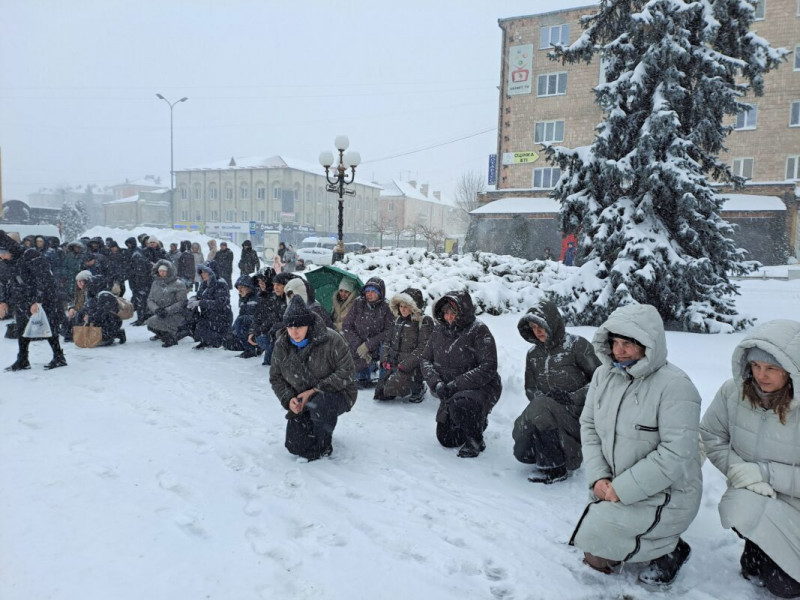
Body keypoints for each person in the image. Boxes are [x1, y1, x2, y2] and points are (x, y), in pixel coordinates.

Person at [569, 304, 701, 589]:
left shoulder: (675, 387)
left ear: (648, 344)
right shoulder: (604, 376)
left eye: (628, 344)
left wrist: (623, 488)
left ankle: (672, 548)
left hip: (667, 493)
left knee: (597, 550)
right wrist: (599, 477)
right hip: (617, 486)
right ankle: (639, 537)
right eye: (615, 343)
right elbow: (589, 426)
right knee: (596, 555)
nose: (619, 351)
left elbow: (676, 453)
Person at [700, 320, 800, 598]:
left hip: (796, 504)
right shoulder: (732, 393)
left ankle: (763, 549)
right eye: (755, 366)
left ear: (791, 369)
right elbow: (710, 435)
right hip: (751, 497)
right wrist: (741, 472)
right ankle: (757, 546)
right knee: (740, 507)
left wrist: (766, 473)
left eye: (771, 368)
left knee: (788, 587)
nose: (761, 375)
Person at [512, 300, 601, 483]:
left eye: (542, 325)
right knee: (520, 441)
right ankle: (551, 451)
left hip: (578, 415)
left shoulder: (577, 345)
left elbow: (601, 380)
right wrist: (543, 400)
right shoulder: (533, 354)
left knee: (541, 408)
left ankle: (556, 467)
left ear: (552, 322)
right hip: (546, 413)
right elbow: (530, 387)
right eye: (533, 327)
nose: (537, 331)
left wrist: (571, 397)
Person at [269, 296, 357, 460]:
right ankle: (315, 424)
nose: (294, 332)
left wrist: (315, 390)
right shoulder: (282, 345)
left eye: (299, 327)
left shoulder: (331, 339)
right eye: (290, 327)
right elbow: (276, 378)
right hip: (302, 398)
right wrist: (289, 399)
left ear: (308, 325)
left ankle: (324, 445)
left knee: (321, 405)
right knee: (294, 446)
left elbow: (347, 371)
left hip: (338, 393)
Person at [420, 291, 502, 458]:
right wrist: (436, 383)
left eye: (453, 313)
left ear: (463, 312)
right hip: (450, 389)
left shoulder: (479, 330)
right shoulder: (438, 331)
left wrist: (456, 384)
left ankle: (476, 440)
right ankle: (473, 422)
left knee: (463, 404)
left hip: (481, 386)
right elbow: (425, 360)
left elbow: (488, 366)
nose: (449, 317)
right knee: (447, 439)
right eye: (446, 313)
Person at [0, 233, 67, 370]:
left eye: (2, 253)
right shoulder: (6, 263)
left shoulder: (30, 255)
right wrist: (4, 301)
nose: (1, 257)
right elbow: (5, 283)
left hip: (44, 299)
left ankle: (58, 356)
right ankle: (23, 359)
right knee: (22, 330)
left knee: (48, 328)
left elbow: (44, 279)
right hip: (21, 300)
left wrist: (38, 300)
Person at [375, 288, 433, 403]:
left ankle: (418, 387)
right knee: (381, 393)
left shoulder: (424, 321)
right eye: (401, 306)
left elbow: (423, 348)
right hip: (394, 362)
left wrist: (406, 364)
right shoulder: (397, 320)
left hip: (411, 365)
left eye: (406, 306)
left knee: (393, 386)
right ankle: (400, 383)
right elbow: (387, 341)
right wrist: (384, 359)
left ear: (413, 306)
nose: (403, 309)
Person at [342, 277, 393, 388]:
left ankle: (384, 381)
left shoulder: (386, 307)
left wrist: (368, 345)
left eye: (373, 291)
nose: (369, 294)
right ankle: (365, 371)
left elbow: (389, 331)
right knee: (360, 381)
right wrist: (359, 346)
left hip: (377, 345)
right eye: (367, 291)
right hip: (358, 346)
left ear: (380, 293)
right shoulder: (358, 303)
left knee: (386, 349)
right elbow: (346, 326)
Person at [248, 270, 290, 365]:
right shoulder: (262, 296)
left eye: (263, 281)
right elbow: (259, 316)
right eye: (259, 282)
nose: (261, 284)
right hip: (271, 331)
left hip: (281, 333)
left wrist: (268, 330)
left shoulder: (279, 298)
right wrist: (254, 331)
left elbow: (283, 320)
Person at [146, 260, 190, 348]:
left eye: (164, 271)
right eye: (160, 271)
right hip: (159, 312)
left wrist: (167, 311)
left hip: (175, 313)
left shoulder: (178, 284)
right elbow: (150, 299)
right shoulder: (155, 283)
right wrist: (156, 309)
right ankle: (162, 334)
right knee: (150, 324)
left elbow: (181, 302)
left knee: (152, 322)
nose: (161, 273)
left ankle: (173, 337)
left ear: (169, 271)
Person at [189, 261, 233, 349]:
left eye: (205, 272)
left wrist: (200, 303)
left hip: (221, 316)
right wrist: (193, 299)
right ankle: (204, 340)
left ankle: (215, 341)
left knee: (208, 324)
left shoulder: (220, 284)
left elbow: (219, 303)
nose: (203, 275)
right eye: (201, 272)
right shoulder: (204, 283)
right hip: (208, 315)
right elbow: (199, 296)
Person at [225, 275, 260, 357]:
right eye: (238, 288)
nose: (239, 290)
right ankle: (248, 347)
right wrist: (232, 330)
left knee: (241, 321)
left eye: (242, 287)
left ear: (249, 287)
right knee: (228, 342)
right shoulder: (242, 297)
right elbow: (241, 313)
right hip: (245, 326)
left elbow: (259, 317)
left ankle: (252, 349)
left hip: (256, 328)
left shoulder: (257, 297)